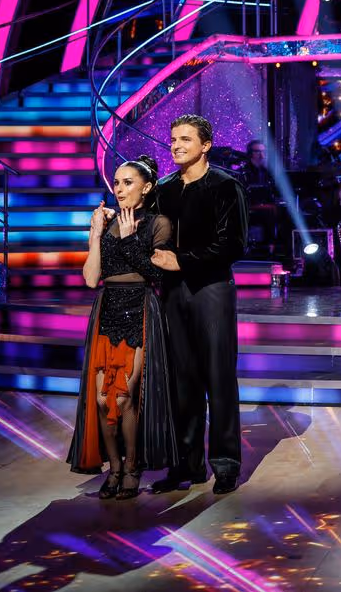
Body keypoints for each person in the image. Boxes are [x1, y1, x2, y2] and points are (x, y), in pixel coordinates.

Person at [67, 156, 177, 499]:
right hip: (107, 309)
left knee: (126, 396)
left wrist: (130, 240)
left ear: (147, 187)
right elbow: (90, 280)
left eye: (128, 182)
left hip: (139, 307)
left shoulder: (158, 223)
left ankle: (132, 467)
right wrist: (96, 235)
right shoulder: (108, 223)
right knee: (103, 401)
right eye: (116, 182)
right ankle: (113, 468)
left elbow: (158, 276)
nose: (119, 189)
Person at [149, 115, 248, 495]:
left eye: (185, 139)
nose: (176, 145)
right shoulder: (164, 189)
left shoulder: (225, 186)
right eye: (173, 139)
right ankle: (185, 465)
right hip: (173, 292)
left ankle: (225, 464)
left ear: (205, 145)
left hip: (211, 288)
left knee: (218, 377)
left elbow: (233, 244)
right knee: (181, 380)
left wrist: (183, 261)